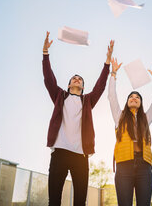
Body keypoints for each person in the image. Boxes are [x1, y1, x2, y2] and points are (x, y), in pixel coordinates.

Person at [42, 31, 114, 206]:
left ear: (82, 86)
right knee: (54, 200)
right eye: (74, 78)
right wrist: (45, 54)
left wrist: (107, 63)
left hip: (81, 156)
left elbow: (100, 86)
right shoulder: (60, 96)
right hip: (59, 152)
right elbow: (49, 79)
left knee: (80, 200)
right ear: (69, 85)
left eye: (80, 79)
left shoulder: (88, 101)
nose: (76, 79)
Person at [108, 57, 152, 206]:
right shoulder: (119, 117)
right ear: (127, 102)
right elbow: (112, 97)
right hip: (123, 166)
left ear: (140, 102)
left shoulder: (145, 118)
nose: (134, 98)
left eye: (137, 97)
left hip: (144, 167)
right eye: (131, 97)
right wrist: (113, 74)